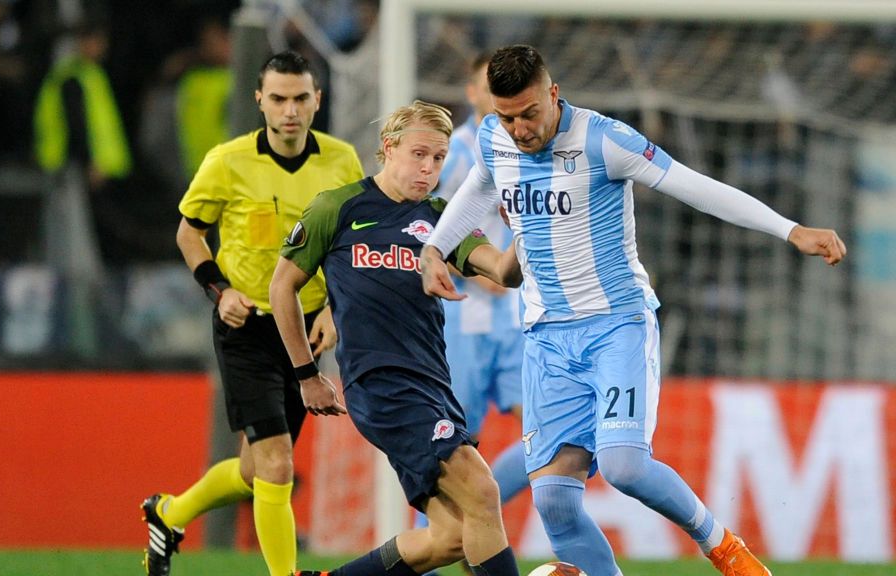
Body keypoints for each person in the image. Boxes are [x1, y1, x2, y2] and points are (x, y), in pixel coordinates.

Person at [422, 45, 847, 576]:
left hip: (614, 325)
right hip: (547, 338)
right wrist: (436, 248)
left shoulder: (605, 139)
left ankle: (724, 548)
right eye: (507, 117)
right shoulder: (493, 138)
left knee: (623, 465)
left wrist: (791, 229)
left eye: (529, 114)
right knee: (553, 501)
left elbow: (697, 188)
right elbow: (477, 190)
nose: (519, 130)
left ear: (554, 95)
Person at [271, 100, 522, 576]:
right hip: (381, 383)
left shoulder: (441, 217)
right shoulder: (338, 208)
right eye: (419, 154)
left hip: (434, 387)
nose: (428, 169)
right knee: (484, 491)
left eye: (439, 158)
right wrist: (306, 375)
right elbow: (281, 287)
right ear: (389, 148)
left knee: (450, 537)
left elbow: (504, 273)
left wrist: (524, 230)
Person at [141, 50, 364, 576]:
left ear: (317, 102)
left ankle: (169, 513)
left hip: (305, 331)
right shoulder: (227, 160)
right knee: (279, 464)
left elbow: (350, 245)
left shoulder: (342, 161)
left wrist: (333, 308)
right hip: (246, 326)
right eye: (279, 99)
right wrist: (220, 291)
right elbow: (188, 233)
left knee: (255, 468)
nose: (290, 110)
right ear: (259, 100)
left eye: (300, 99)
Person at [419, 53, 530, 576]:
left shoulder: (527, 153)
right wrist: (484, 275)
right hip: (462, 321)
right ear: (471, 92)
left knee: (548, 437)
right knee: (448, 455)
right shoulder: (458, 153)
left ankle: (478, 522)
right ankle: (435, 546)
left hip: (513, 323)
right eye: (490, 86)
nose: (499, 93)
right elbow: (430, 234)